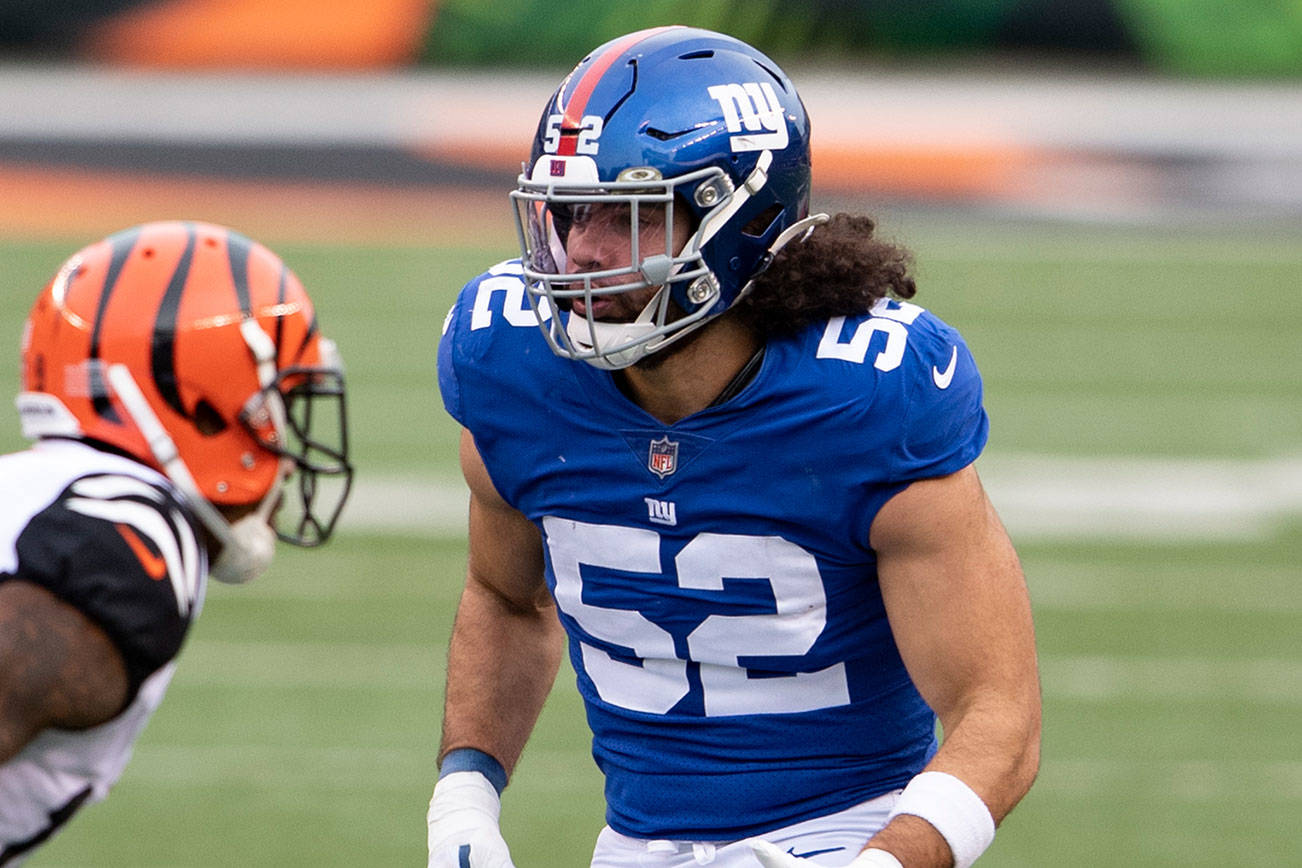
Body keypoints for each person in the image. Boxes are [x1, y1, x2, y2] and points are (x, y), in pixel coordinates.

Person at [430, 25, 1040, 868]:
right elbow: (506, 598)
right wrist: (463, 801)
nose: (581, 252)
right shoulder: (509, 360)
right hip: (635, 845)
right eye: (570, 213)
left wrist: (879, 862)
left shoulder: (867, 396)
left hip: (848, 830)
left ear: (737, 219)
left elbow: (997, 714)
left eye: (629, 216)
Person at [0, 220, 352, 864]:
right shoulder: (122, 541)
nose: (288, 448)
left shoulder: (51, 493)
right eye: (274, 404)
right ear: (204, 403)